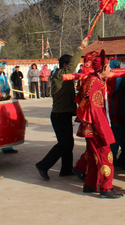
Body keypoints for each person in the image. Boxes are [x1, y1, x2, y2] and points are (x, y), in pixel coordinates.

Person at [35, 37, 88, 180]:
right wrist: (80, 48)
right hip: (59, 115)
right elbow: (71, 68)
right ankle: (43, 165)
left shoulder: (64, 77)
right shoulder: (60, 74)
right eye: (70, 65)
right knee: (64, 143)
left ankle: (66, 169)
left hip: (63, 114)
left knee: (68, 143)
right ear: (65, 65)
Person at [75, 49, 122, 199]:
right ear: (101, 69)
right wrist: (103, 132)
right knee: (105, 156)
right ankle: (106, 188)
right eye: (108, 67)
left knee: (92, 156)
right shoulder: (95, 83)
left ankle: (89, 184)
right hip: (96, 127)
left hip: (91, 127)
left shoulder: (96, 80)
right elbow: (95, 111)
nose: (110, 70)